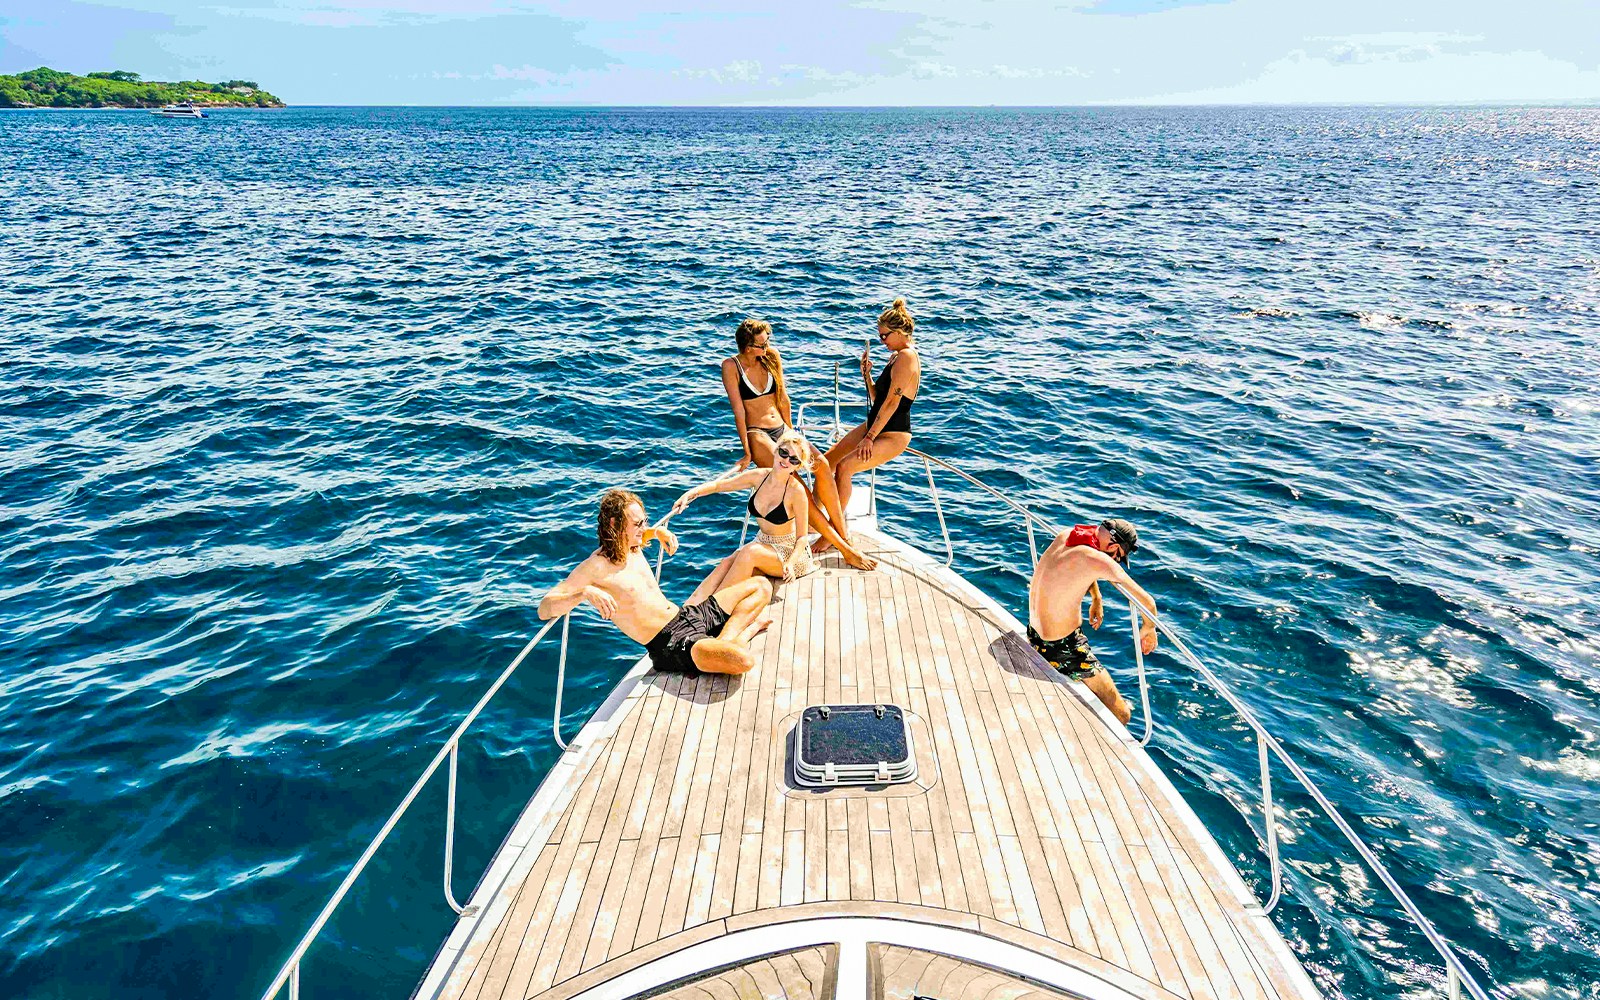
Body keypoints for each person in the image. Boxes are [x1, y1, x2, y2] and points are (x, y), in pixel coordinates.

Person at [538, 488, 773, 676]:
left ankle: (722, 643)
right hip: (672, 644)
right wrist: (584, 593)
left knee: (762, 586)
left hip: (687, 615)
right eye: (637, 524)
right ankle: (740, 636)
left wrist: (657, 532)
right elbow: (545, 608)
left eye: (644, 521)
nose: (643, 528)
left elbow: (645, 533)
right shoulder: (595, 567)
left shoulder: (632, 545)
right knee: (743, 661)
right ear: (614, 524)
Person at [720, 317, 876, 571]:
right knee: (798, 486)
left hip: (782, 429)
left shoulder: (771, 356)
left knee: (823, 465)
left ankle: (841, 534)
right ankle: (846, 550)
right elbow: (738, 409)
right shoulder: (731, 366)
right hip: (757, 433)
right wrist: (746, 452)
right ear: (748, 348)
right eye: (762, 343)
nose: (767, 346)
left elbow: (783, 398)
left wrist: (793, 434)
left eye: (767, 341)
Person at [1027, 518, 1157, 725]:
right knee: (1122, 714)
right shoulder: (1099, 560)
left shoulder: (1067, 535)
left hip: (1034, 635)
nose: (1115, 561)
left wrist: (1096, 597)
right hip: (1061, 648)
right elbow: (1148, 603)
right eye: (1118, 557)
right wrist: (1149, 629)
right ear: (1113, 546)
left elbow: (1082, 567)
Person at [672, 428, 818, 605]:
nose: (786, 460)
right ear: (776, 449)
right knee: (728, 562)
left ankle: (713, 609)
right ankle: (689, 608)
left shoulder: (796, 492)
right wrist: (691, 493)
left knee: (749, 552)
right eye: (784, 452)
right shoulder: (759, 476)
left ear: (798, 466)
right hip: (764, 542)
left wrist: (790, 563)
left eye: (793, 459)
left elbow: (802, 538)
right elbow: (720, 486)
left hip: (790, 554)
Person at [821, 298, 921, 544]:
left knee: (844, 469)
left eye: (884, 336)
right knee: (826, 461)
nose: (882, 341)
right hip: (875, 425)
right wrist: (867, 376)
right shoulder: (896, 357)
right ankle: (815, 518)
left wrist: (869, 438)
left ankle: (834, 533)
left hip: (893, 434)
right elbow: (878, 398)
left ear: (899, 333)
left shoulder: (907, 357)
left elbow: (892, 403)